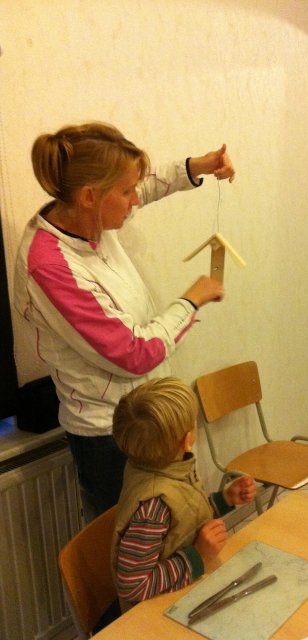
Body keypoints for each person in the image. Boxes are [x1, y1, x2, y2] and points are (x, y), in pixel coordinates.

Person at [14, 121, 236, 520]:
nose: (136, 199)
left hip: (146, 412)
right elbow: (134, 353)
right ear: (89, 196)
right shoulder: (50, 267)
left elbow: (144, 186)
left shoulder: (88, 215)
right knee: (128, 545)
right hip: (111, 436)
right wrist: (191, 301)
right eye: (126, 191)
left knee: (174, 527)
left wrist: (196, 167)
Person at [111, 376, 256, 612]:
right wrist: (197, 555)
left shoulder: (162, 466)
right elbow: (132, 587)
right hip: (159, 612)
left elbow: (183, 518)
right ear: (187, 440)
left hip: (186, 590)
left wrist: (225, 499)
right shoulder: (153, 507)